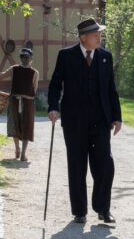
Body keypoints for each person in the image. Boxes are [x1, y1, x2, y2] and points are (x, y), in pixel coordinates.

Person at [48, 18, 122, 224]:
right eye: (95, 34)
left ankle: (102, 208)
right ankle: (79, 211)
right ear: (83, 38)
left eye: (100, 34)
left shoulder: (105, 57)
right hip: (74, 122)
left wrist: (117, 117)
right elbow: (55, 85)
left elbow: (111, 91)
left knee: (105, 165)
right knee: (77, 165)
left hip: (101, 121)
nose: (100, 37)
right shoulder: (66, 56)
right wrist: (53, 107)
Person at [0, 47, 39, 161]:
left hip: (16, 101)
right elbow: (34, 90)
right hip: (27, 102)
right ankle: (22, 153)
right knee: (25, 126)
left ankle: (18, 149)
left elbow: (2, 75)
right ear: (30, 59)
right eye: (24, 57)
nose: (25, 58)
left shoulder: (14, 69)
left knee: (15, 124)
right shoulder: (35, 72)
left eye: (26, 57)